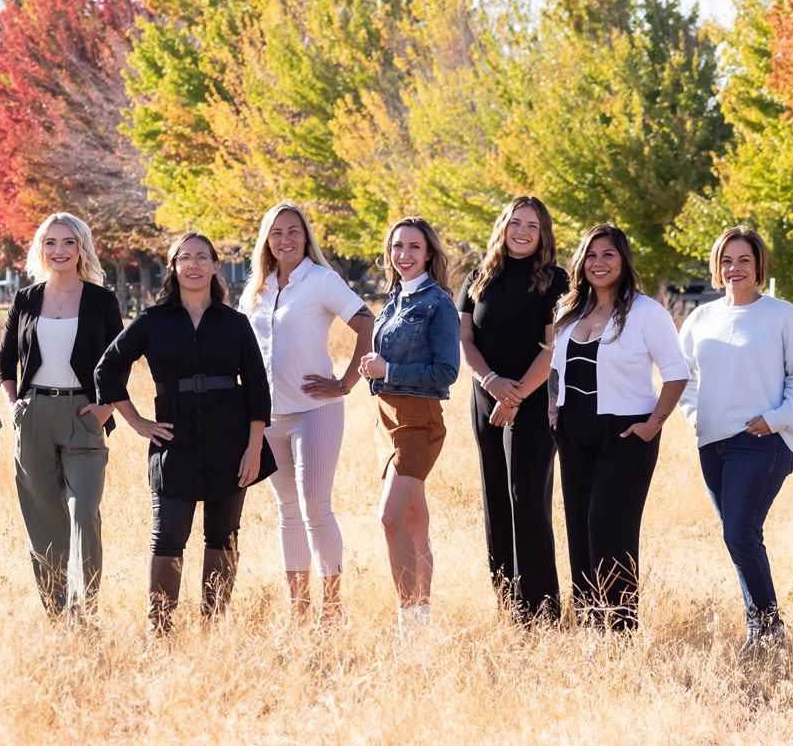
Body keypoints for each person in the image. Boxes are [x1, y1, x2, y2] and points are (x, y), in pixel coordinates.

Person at [94, 231, 272, 633]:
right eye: (183, 258)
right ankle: (161, 630)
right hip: (174, 442)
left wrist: (254, 447)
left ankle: (213, 628)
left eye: (201, 257)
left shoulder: (235, 323)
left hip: (231, 441)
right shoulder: (153, 321)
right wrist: (136, 421)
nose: (193, 265)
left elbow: (259, 389)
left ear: (215, 265)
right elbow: (107, 367)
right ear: (173, 268)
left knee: (223, 535)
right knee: (168, 536)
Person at [678, 227, 793, 650]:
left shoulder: (780, 314)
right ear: (717, 267)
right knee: (739, 536)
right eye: (726, 261)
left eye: (744, 261)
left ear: (758, 267)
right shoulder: (701, 319)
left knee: (739, 532)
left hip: (762, 441)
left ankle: (769, 630)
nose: (734, 269)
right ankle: (760, 627)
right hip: (712, 445)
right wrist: (695, 414)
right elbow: (681, 377)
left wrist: (775, 420)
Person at [548, 224, 688, 632]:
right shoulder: (569, 311)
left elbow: (676, 375)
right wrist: (553, 415)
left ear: (623, 259)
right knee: (579, 528)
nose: (599, 263)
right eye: (591, 255)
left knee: (608, 527)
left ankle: (620, 630)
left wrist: (653, 425)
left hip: (627, 434)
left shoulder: (646, 312)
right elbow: (556, 368)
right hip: (573, 431)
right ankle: (592, 627)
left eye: (608, 254)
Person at [239, 202, 371, 623]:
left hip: (316, 411)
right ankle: (299, 610)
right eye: (276, 232)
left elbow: (367, 323)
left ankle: (331, 610)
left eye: (294, 231)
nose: (286, 239)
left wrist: (346, 382)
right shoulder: (257, 289)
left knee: (315, 505)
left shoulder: (321, 280)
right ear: (266, 240)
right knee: (288, 510)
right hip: (269, 417)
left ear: (306, 235)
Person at [0, 212, 124, 618]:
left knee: (83, 514)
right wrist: (13, 403)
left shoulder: (102, 300)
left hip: (84, 415)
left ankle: (84, 611)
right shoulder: (25, 298)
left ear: (82, 248)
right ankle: (57, 615)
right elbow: (4, 360)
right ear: (40, 249)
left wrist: (105, 408)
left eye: (69, 242)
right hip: (33, 414)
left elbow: (119, 360)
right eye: (51, 242)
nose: (59, 250)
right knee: (44, 522)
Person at [458, 197, 570, 623]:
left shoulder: (555, 281)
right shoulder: (477, 278)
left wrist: (516, 395)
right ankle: (507, 603)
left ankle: (541, 611)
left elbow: (553, 345)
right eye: (516, 223)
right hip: (486, 397)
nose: (522, 231)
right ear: (502, 227)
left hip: (534, 400)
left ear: (544, 234)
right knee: (494, 497)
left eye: (533, 225)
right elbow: (466, 339)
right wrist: (491, 384)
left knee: (526, 498)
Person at [360, 217, 461, 630]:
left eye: (414, 247)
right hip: (388, 416)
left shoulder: (439, 303)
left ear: (429, 253)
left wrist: (389, 368)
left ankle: (409, 624)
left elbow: (446, 372)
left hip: (418, 419)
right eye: (398, 246)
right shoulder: (394, 300)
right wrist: (375, 371)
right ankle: (423, 622)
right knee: (415, 520)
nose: (404, 254)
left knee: (391, 517)